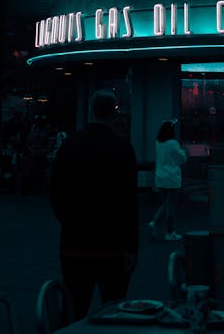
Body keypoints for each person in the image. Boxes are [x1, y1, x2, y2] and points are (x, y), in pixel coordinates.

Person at [50, 89, 138, 319]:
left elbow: (55, 192)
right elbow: (129, 201)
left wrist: (69, 219)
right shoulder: (122, 149)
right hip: (112, 246)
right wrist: (131, 244)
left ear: (91, 111)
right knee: (113, 310)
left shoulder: (69, 146)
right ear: (114, 113)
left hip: (74, 243)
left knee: (74, 309)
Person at [149, 119, 187, 241]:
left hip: (160, 177)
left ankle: (154, 222)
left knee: (165, 204)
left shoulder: (158, 143)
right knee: (170, 206)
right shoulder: (173, 143)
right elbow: (182, 159)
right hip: (172, 178)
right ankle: (170, 232)